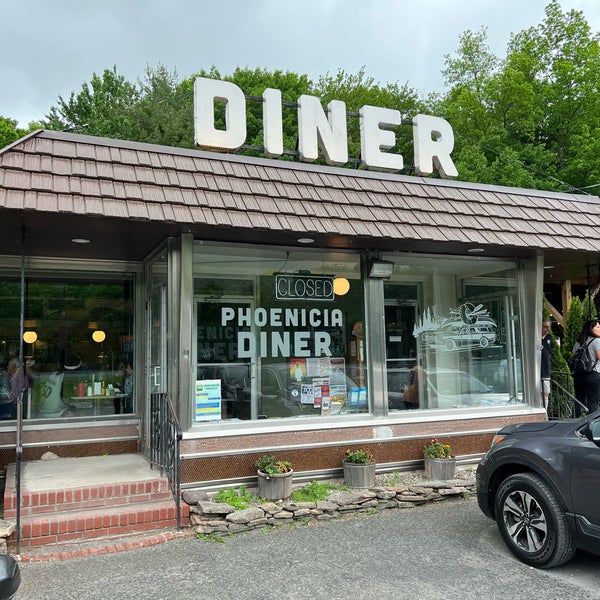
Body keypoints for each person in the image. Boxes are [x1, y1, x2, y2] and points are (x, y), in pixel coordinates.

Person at [572, 320, 600, 416]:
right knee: (592, 403)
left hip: (579, 375)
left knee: (578, 402)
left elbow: (574, 356)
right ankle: (592, 428)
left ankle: (574, 425)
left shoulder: (578, 342)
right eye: (598, 327)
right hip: (593, 374)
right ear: (591, 329)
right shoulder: (597, 341)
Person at [540, 320, 553, 410]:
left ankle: (545, 410)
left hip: (545, 368)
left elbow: (550, 351)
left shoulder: (549, 337)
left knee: (545, 391)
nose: (547, 329)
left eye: (548, 327)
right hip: (536, 368)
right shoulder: (536, 337)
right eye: (545, 326)